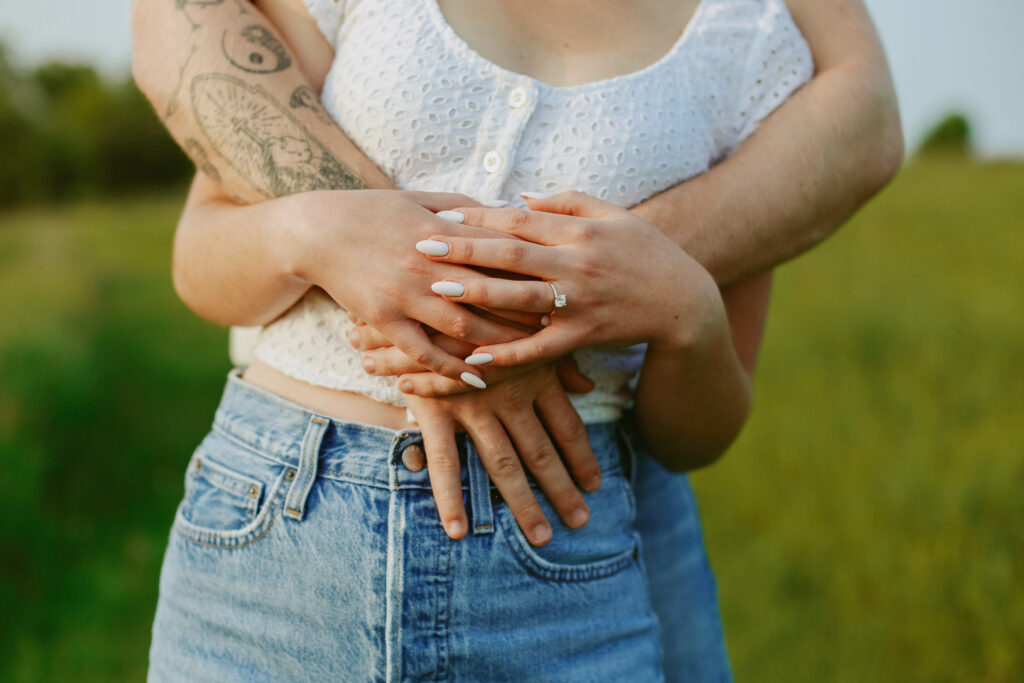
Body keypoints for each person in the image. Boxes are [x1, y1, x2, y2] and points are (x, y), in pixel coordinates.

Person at [132, 0, 901, 679]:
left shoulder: (746, 45)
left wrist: (688, 312)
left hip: (562, 567)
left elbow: (701, 432)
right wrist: (313, 228)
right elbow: (199, 258)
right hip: (274, 545)